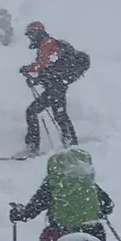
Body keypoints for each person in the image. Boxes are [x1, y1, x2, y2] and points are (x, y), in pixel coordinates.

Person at [8, 144, 113, 241]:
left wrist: (18, 213)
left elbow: (30, 212)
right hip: (93, 233)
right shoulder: (88, 184)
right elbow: (108, 206)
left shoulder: (53, 183)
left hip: (62, 235)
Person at [19, 19, 89, 155]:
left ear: (38, 33)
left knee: (32, 111)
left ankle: (33, 146)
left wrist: (28, 69)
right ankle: (71, 144)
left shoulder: (47, 43)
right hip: (58, 85)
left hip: (56, 87)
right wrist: (36, 80)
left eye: (31, 34)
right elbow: (50, 70)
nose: (30, 38)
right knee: (60, 115)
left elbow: (43, 64)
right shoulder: (48, 45)